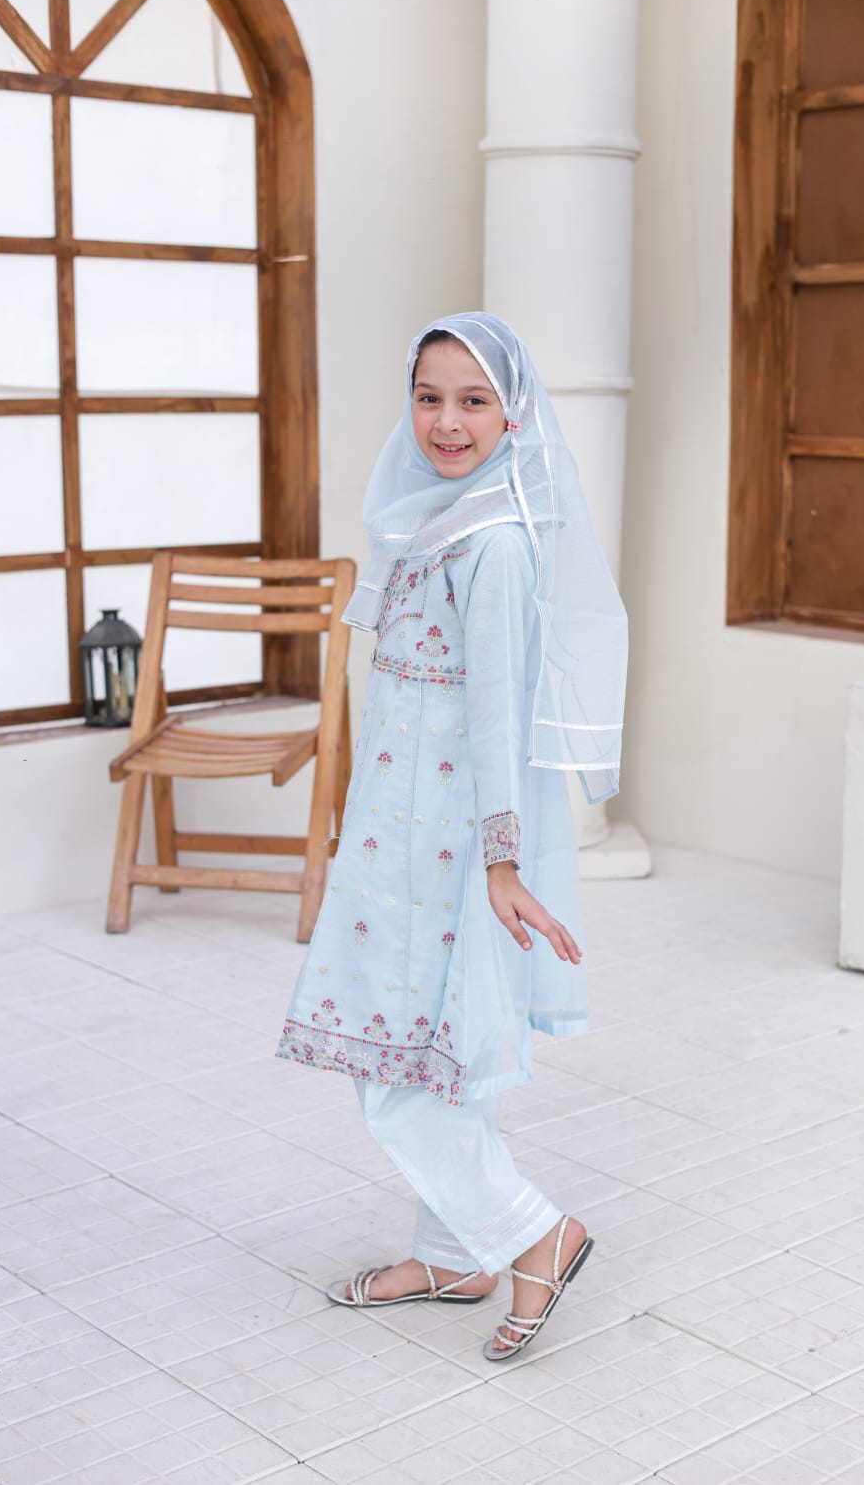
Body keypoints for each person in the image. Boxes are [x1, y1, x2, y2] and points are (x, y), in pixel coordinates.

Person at [276, 312, 627, 1360]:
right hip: (395, 840)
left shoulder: (497, 545)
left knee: (392, 1062)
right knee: (430, 1060)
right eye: (429, 397)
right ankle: (455, 1254)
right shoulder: (425, 523)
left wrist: (503, 864)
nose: (446, 421)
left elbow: (497, 719)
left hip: (452, 853)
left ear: (513, 414)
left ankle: (533, 1234)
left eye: (474, 400)